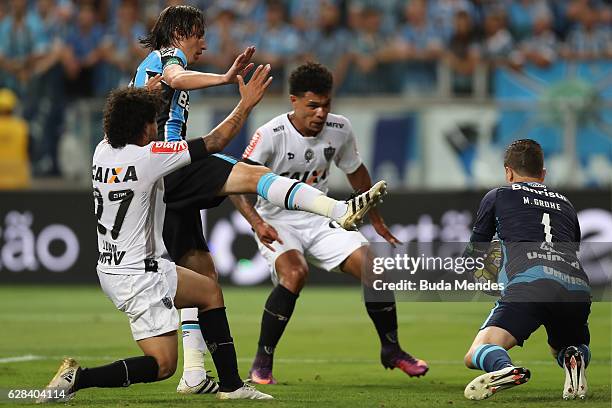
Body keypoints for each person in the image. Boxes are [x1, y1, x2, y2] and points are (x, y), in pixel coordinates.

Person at [131, 5, 387, 394]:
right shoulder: (168, 56)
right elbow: (176, 76)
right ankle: (338, 209)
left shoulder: (153, 66)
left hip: (160, 173)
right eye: (200, 34)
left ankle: (195, 374)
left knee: (200, 275)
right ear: (182, 31)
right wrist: (225, 77)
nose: (204, 42)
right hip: (167, 162)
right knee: (252, 174)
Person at [37, 81, 275, 402]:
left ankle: (231, 386)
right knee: (163, 366)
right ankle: (78, 379)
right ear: (141, 127)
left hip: (118, 267)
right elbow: (216, 141)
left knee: (208, 291)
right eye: (152, 122)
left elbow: (122, 115)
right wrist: (245, 105)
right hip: (140, 276)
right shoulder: (150, 158)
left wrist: (145, 95)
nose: (156, 128)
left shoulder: (102, 150)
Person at [230, 62, 429, 384]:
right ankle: (262, 362)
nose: (321, 113)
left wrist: (374, 218)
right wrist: (255, 222)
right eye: (313, 105)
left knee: (375, 269)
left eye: (326, 104)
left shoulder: (340, 129)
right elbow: (235, 183)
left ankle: (391, 350)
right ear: (293, 101)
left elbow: (356, 171)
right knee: (295, 274)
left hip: (321, 217)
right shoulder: (270, 134)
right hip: (277, 220)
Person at [462, 139, 591, 401]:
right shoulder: (565, 203)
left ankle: (505, 369)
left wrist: (483, 277)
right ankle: (574, 357)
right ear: (543, 173)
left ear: (508, 172)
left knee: (479, 349)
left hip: (530, 283)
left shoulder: (498, 195)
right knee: (563, 346)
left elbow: (475, 252)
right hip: (577, 288)